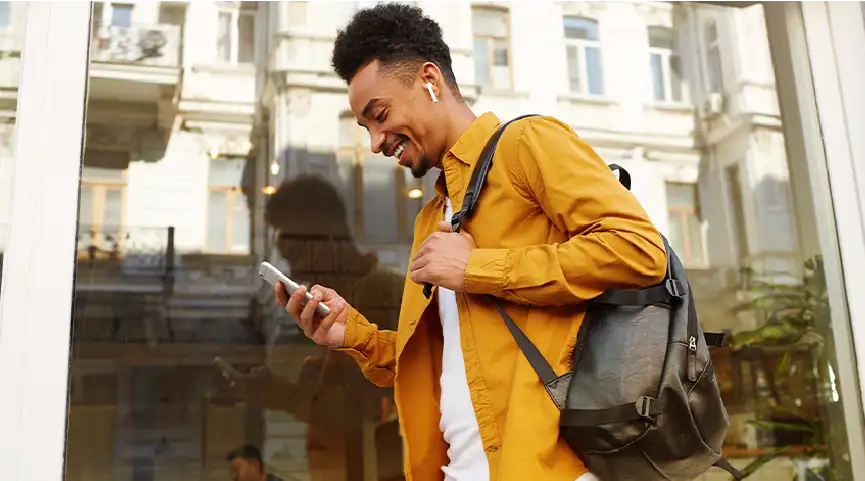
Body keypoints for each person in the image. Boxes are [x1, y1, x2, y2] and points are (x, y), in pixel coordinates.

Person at [276, 4, 667, 481]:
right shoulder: (433, 216)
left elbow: (640, 251)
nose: (375, 142)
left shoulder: (527, 144)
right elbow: (453, 366)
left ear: (429, 80)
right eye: (365, 128)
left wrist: (478, 269)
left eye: (379, 116)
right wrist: (352, 336)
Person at [227, 175, 404, 481]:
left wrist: (284, 394)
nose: (295, 271)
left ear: (327, 240)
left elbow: (370, 411)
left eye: (295, 254)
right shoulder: (335, 308)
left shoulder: (382, 293)